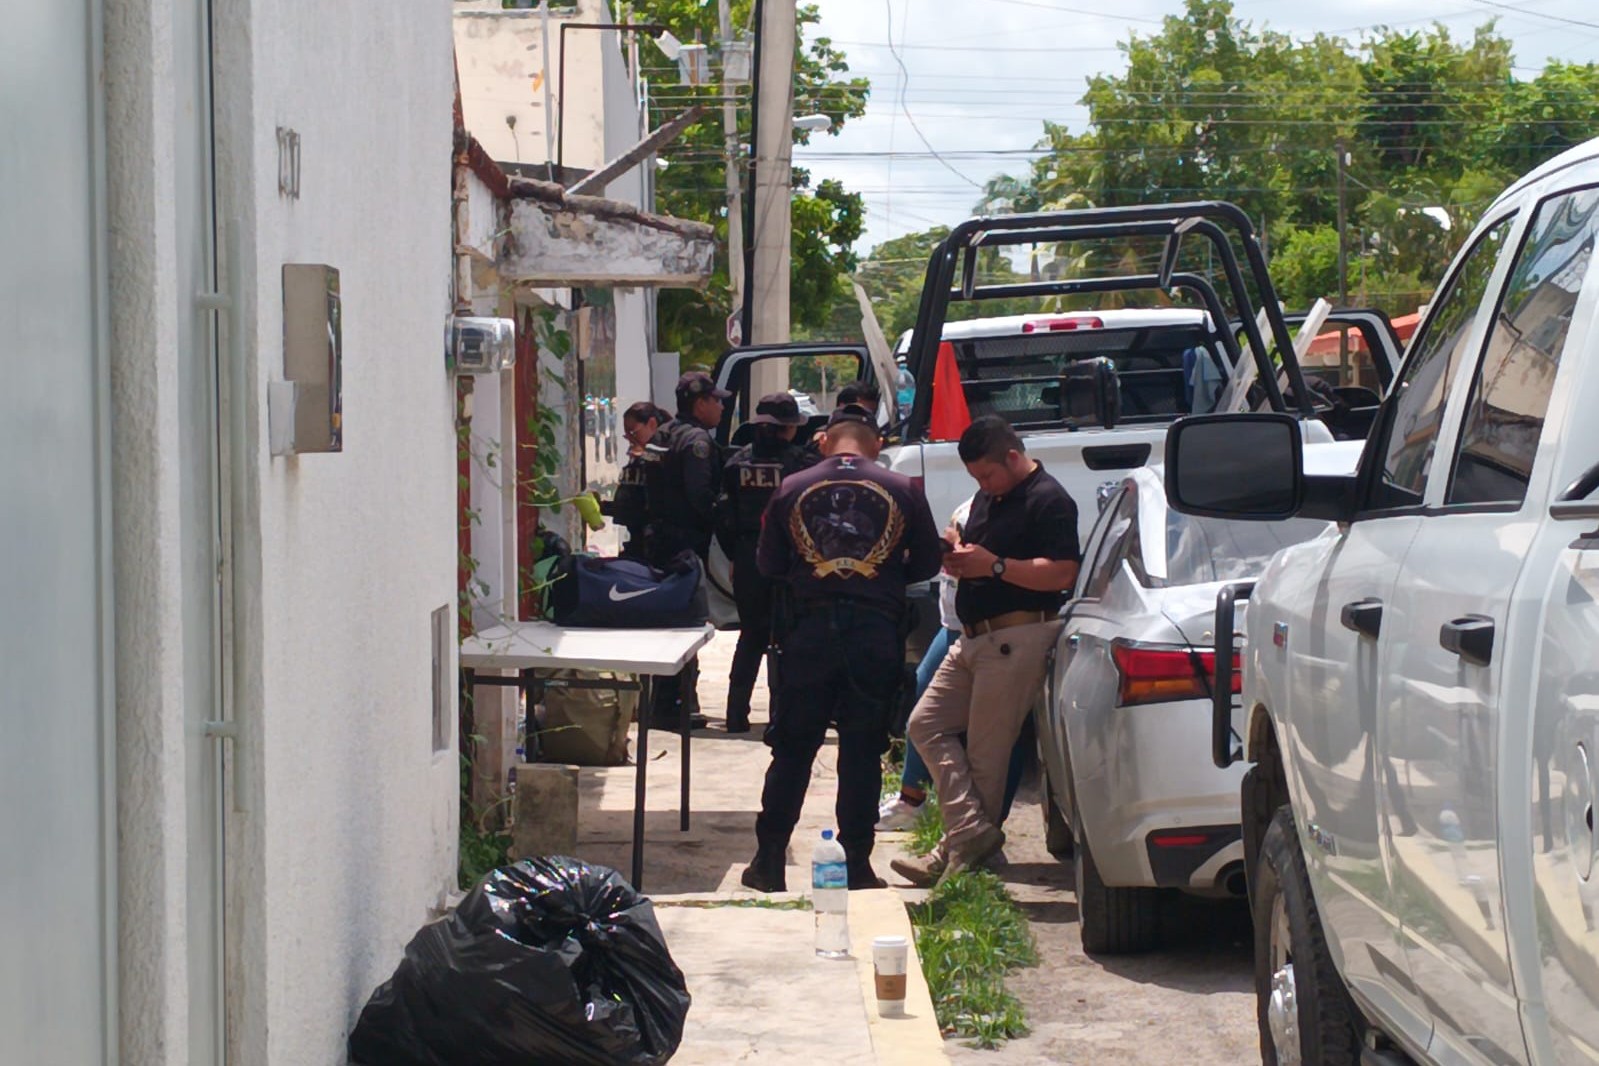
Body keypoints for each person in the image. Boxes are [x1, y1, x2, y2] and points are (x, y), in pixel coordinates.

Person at [740, 404, 943, 892]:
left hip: (807, 632)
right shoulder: (904, 489)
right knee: (862, 751)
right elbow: (928, 562)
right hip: (875, 632)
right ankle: (855, 864)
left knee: (793, 748)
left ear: (825, 441)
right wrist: (882, 574)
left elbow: (768, 564)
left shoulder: (792, 487)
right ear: (877, 446)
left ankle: (769, 861)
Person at [892, 416, 1081, 887]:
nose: (982, 484)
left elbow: (1062, 573)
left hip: (1017, 636)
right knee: (925, 724)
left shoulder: (1049, 499)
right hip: (971, 635)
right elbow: (979, 548)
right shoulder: (988, 498)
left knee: (986, 756)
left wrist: (994, 566)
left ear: (1012, 457)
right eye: (976, 477)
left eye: (987, 474)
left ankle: (957, 861)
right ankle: (969, 832)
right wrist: (958, 550)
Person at [876, 499, 1037, 834]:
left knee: (999, 735)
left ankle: (982, 824)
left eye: (987, 474)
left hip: (986, 631)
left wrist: (963, 551)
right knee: (923, 712)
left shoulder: (1018, 509)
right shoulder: (974, 504)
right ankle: (914, 800)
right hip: (952, 623)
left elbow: (995, 565)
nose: (981, 479)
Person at [713, 392, 819, 734]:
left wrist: (735, 554)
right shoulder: (802, 464)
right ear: (787, 428)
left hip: (749, 555)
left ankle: (735, 715)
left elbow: (723, 515)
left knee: (751, 635)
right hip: (789, 557)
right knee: (788, 636)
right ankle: (781, 716)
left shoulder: (736, 463)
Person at [642, 371, 730, 729]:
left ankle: (663, 701)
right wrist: (722, 523)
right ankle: (678, 703)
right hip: (685, 547)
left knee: (666, 623)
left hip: (657, 541)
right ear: (699, 403)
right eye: (716, 400)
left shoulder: (661, 435)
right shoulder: (697, 442)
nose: (721, 407)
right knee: (687, 624)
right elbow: (700, 496)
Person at [600, 401, 668, 558]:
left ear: (652, 424)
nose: (631, 439)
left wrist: (644, 454)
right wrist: (605, 507)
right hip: (637, 537)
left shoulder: (662, 451)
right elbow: (632, 501)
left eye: (634, 433)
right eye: (627, 435)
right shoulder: (639, 457)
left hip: (657, 539)